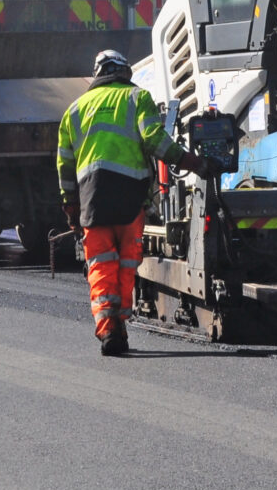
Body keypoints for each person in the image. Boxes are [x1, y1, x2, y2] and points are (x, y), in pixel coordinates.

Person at [57, 50, 216, 356]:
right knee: (127, 265)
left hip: (93, 201)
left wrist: (70, 206)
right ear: (124, 72)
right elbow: (155, 141)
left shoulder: (74, 110)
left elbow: (64, 164)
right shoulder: (136, 98)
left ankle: (109, 330)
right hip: (131, 200)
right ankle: (121, 324)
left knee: (101, 266)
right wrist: (194, 163)